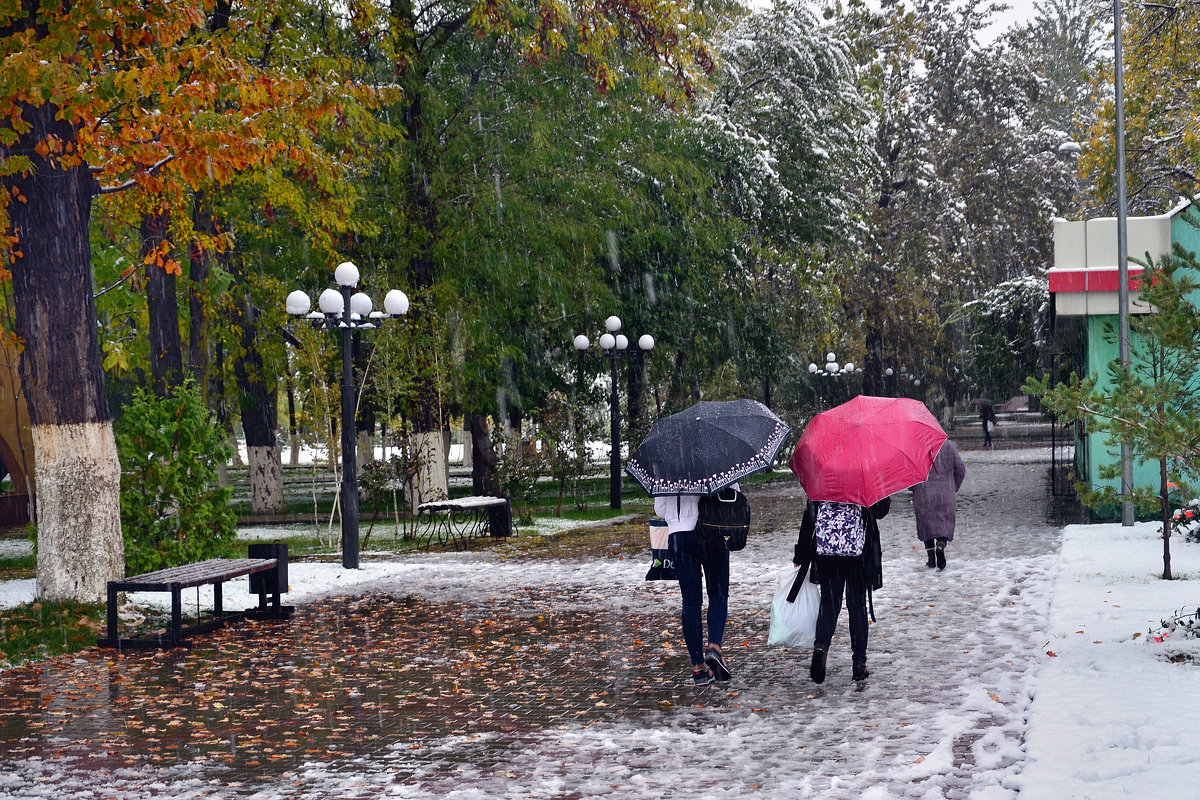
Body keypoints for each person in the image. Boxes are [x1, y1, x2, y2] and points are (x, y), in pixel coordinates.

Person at [793, 496, 890, 684]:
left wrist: (801, 552)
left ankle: (821, 646)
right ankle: (859, 663)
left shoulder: (824, 474)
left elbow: (810, 517)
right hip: (859, 552)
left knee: (829, 605)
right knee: (857, 607)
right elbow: (880, 511)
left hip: (829, 551)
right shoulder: (866, 474)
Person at [656, 484, 741, 687]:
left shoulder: (666, 463)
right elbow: (733, 492)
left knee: (691, 601)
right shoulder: (716, 455)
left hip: (679, 537)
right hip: (712, 530)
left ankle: (698, 669)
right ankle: (713, 648)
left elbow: (659, 509)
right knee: (718, 593)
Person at [912, 439, 966, 570]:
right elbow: (960, 469)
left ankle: (931, 557)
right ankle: (941, 545)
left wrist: (913, 488)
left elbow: (910, 472)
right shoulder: (949, 445)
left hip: (923, 493)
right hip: (945, 493)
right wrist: (953, 486)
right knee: (943, 523)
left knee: (927, 525)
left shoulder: (916, 447)